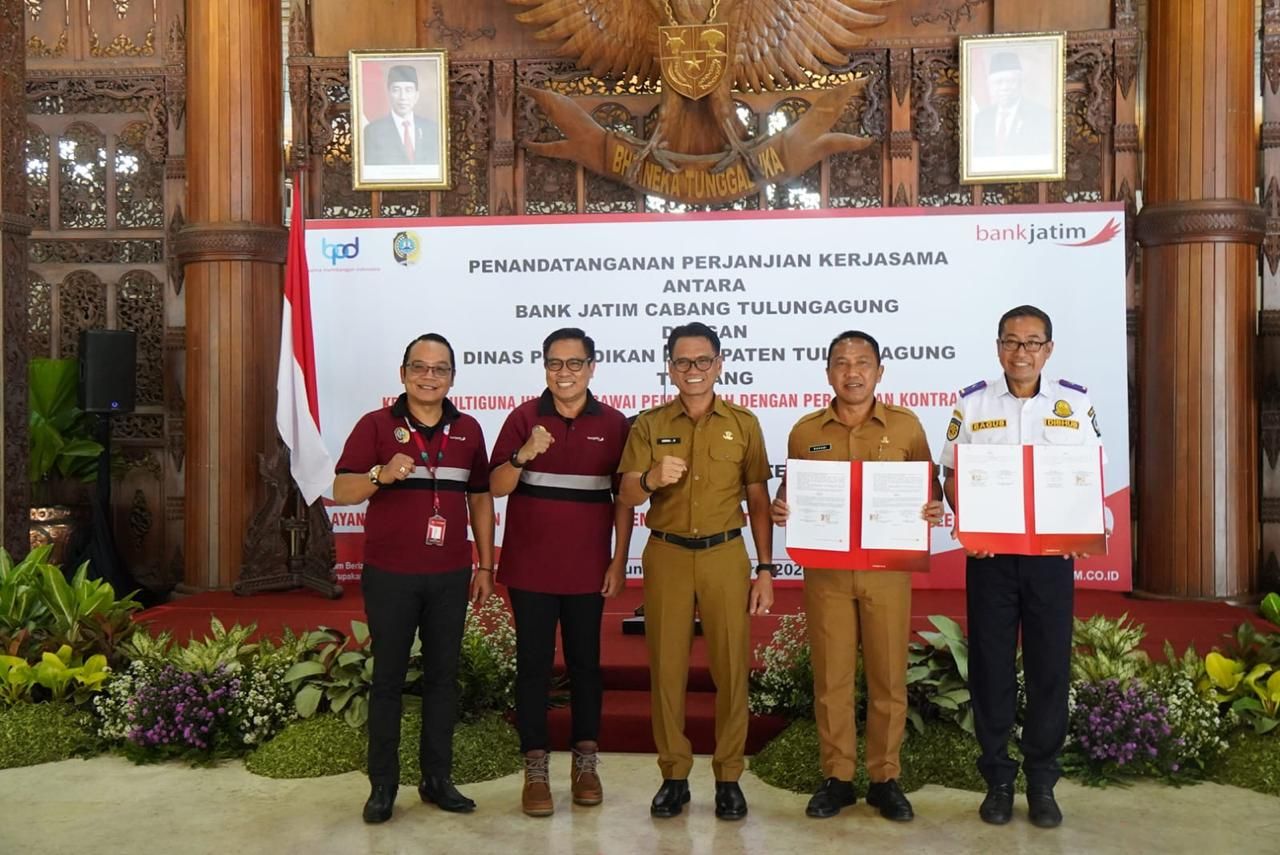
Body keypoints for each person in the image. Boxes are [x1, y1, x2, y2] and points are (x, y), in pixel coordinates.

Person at [939, 305, 1101, 830]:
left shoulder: (1074, 404)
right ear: (998, 346)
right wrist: (969, 524)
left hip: (1051, 561)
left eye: (1033, 343)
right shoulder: (973, 403)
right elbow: (951, 475)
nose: (1022, 352)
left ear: (1048, 350)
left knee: (1050, 668)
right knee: (990, 669)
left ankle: (1042, 781)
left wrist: (1084, 525)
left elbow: (1089, 473)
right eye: (1012, 342)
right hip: (991, 560)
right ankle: (998, 779)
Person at [770, 330, 943, 823]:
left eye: (862, 362)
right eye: (842, 363)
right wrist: (784, 508)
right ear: (828, 373)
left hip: (888, 572)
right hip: (827, 573)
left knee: (889, 677)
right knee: (832, 678)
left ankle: (886, 778)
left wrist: (933, 508)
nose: (852, 372)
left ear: (879, 372)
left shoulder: (907, 428)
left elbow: (928, 492)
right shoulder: (805, 431)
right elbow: (792, 494)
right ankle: (838, 778)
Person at [332, 333, 495, 824]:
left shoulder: (468, 429)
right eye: (420, 368)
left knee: (443, 680)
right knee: (387, 681)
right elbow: (342, 491)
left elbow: (481, 498)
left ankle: (436, 779)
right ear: (403, 374)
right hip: (391, 575)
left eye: (440, 369)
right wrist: (381, 474)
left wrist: (485, 564)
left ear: (451, 377)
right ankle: (383, 785)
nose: (429, 377)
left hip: (449, 575)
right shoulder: (376, 425)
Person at [617, 321, 775, 822]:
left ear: (719, 363)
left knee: (731, 666)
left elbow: (757, 499)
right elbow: (626, 493)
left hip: (725, 553)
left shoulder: (744, 424)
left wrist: (766, 568)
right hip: (666, 553)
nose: (693, 371)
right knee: (666, 667)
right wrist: (649, 477)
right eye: (683, 362)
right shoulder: (647, 424)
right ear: (670, 367)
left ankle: (729, 775)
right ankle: (674, 775)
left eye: (702, 360)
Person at [488, 328, 634, 817]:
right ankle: (535, 768)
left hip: (589, 568)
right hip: (529, 567)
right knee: (533, 665)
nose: (564, 373)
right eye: (555, 363)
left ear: (593, 367)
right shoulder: (523, 418)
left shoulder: (615, 424)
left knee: (586, 664)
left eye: (575, 363)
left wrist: (619, 559)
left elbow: (624, 500)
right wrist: (522, 454)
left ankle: (585, 761)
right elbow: (496, 486)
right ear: (544, 367)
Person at [970, 51, 1054, 159]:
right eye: (998, 82)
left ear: (1020, 82)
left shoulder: (1040, 115)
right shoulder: (982, 118)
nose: (1004, 87)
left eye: (1011, 81)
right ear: (990, 85)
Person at [362, 64, 441, 167]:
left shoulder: (432, 129)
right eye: (396, 90)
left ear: (417, 95)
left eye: (408, 90)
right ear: (388, 94)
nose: (403, 97)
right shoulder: (373, 131)